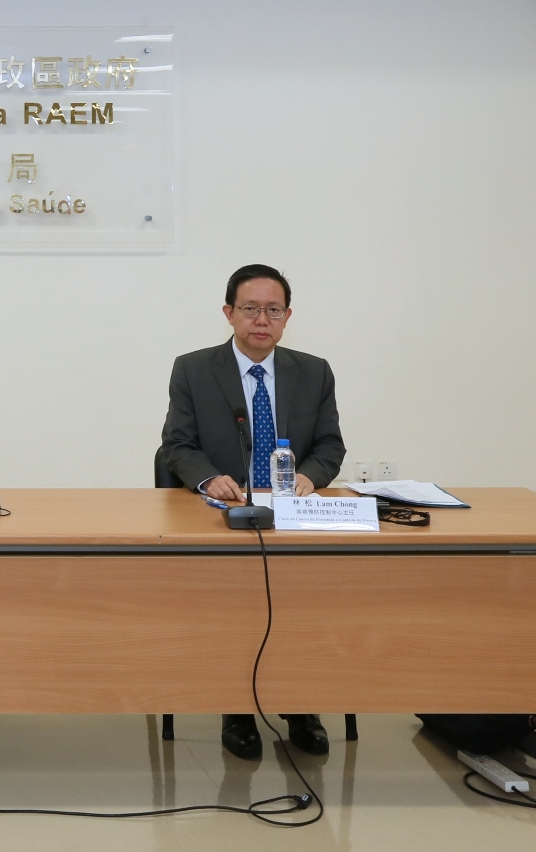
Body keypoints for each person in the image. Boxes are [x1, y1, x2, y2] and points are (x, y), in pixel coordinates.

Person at [159, 263, 345, 760]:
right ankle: (237, 708)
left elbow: (330, 446)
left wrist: (310, 476)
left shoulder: (314, 371)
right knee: (233, 603)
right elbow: (177, 444)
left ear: (287, 317)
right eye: (250, 309)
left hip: (294, 515)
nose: (262, 320)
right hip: (226, 516)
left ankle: (301, 704)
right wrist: (208, 479)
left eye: (273, 310)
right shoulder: (194, 369)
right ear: (229, 313)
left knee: (307, 602)